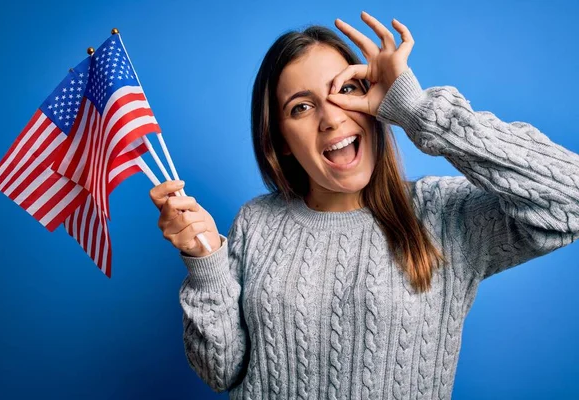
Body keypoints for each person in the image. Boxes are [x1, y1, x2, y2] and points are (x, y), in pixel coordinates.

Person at [149, 11, 579, 400]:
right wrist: (205, 261)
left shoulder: (444, 213)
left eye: (345, 90)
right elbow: (220, 371)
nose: (331, 118)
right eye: (301, 107)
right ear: (280, 141)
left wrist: (414, 109)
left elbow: (571, 200)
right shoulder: (256, 222)